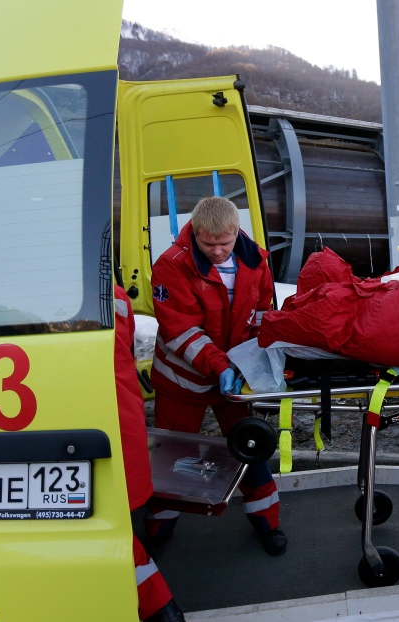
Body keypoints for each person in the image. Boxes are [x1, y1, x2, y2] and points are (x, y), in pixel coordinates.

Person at [149, 196, 286, 556]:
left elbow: (261, 313)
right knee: (169, 457)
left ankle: (268, 523)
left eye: (224, 244)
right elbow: (181, 332)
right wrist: (220, 364)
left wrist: (253, 361)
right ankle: (158, 528)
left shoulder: (255, 259)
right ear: (195, 233)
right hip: (182, 381)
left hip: (234, 378)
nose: (217, 251)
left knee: (250, 448)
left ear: (234, 232)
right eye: (208, 244)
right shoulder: (170, 266)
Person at [113, 285, 186, 622]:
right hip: (120, 416)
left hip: (98, 422)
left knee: (105, 527)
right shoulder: (113, 297)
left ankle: (158, 607)